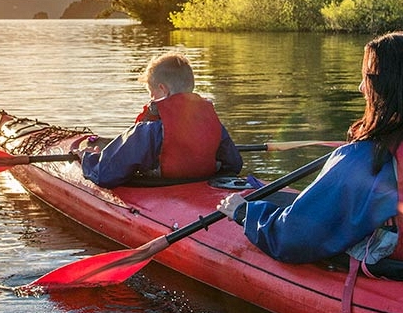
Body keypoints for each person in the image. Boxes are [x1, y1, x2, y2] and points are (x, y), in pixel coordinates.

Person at [217, 31, 403, 284]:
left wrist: (244, 213)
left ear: (386, 89)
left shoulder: (362, 160)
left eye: (368, 79)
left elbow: (294, 236)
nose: (361, 88)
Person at [76, 52, 243, 188]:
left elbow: (105, 175)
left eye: (152, 92)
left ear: (163, 90)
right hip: (202, 191)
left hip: (164, 191)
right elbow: (234, 165)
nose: (151, 98)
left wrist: (87, 159)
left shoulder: (148, 131)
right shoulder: (214, 124)